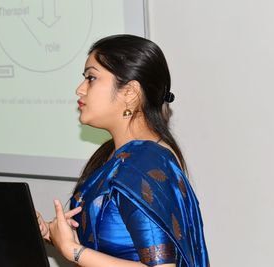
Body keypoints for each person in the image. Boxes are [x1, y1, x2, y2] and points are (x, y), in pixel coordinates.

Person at [36, 34, 209, 267]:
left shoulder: (146, 162)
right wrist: (53, 233)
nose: (80, 89)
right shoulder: (116, 155)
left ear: (130, 93)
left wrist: (74, 251)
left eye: (91, 78)